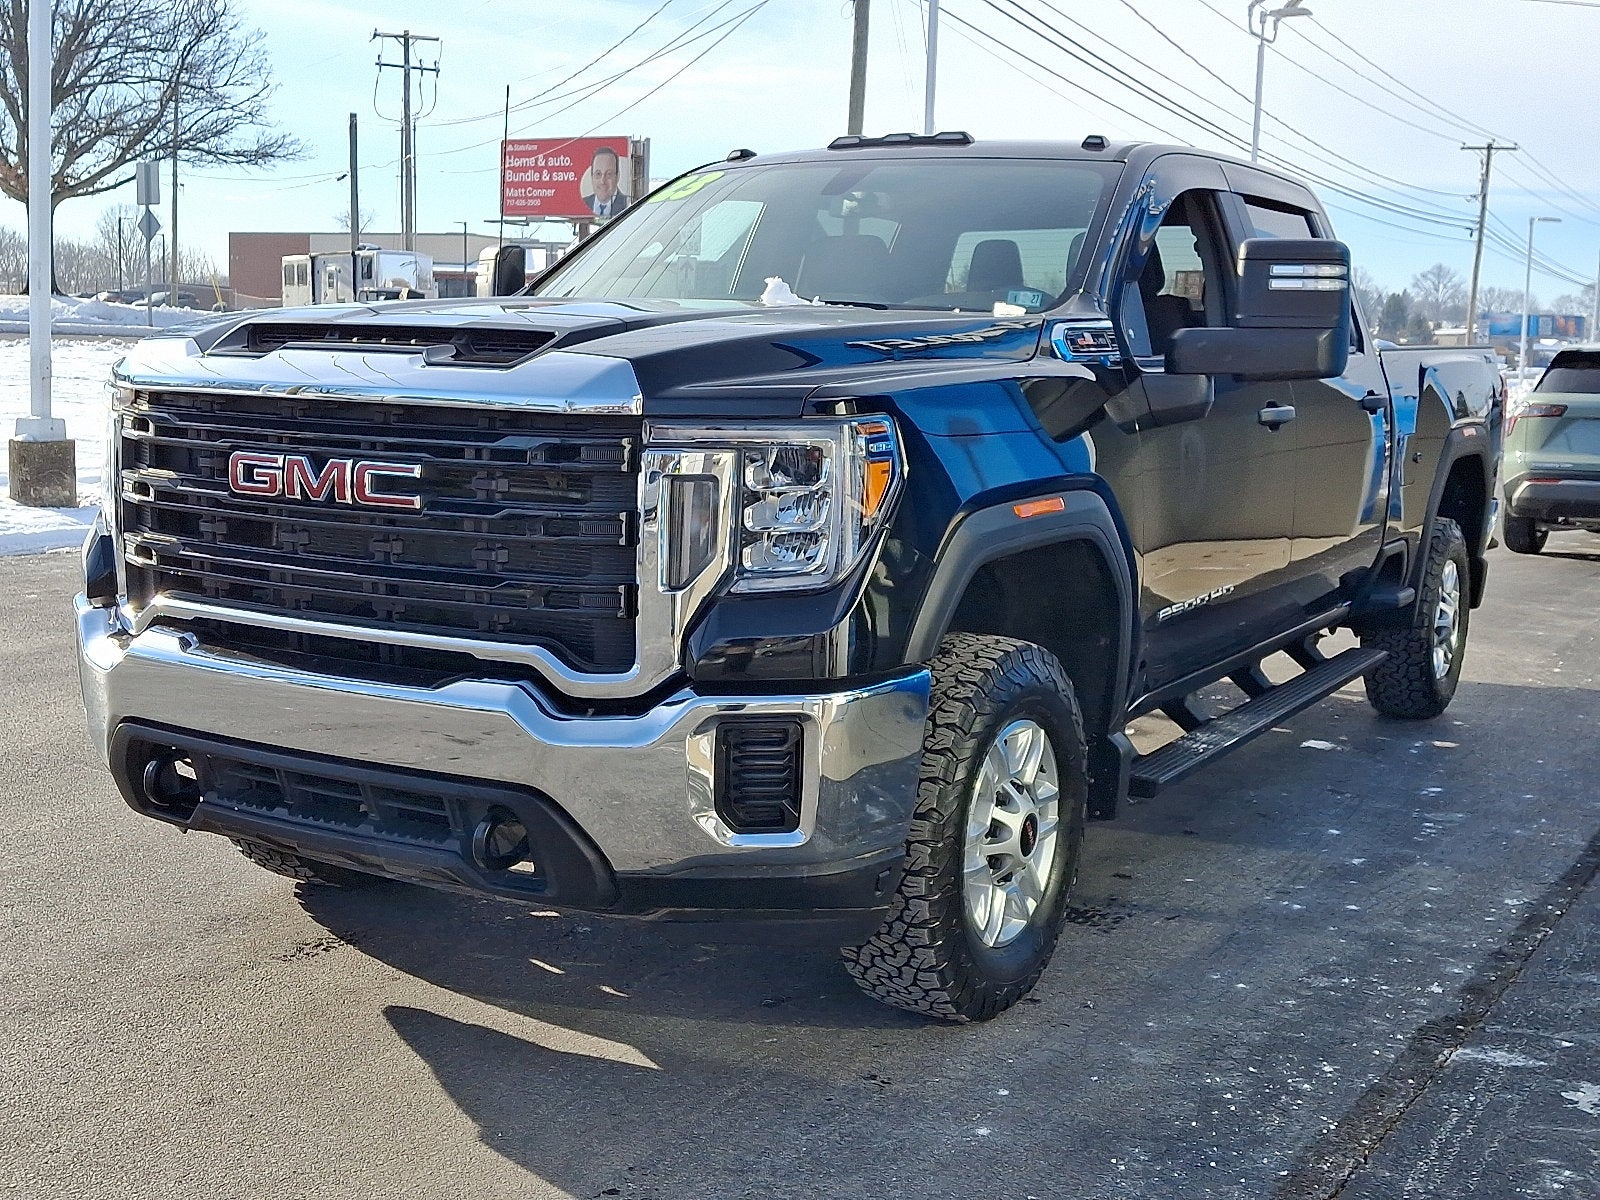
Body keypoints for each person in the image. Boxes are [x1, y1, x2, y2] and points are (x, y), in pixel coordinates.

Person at [581, 146, 630, 218]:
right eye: (598, 174)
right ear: (592, 177)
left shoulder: (627, 204)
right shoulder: (584, 203)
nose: (602, 181)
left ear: (617, 176)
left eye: (609, 174)